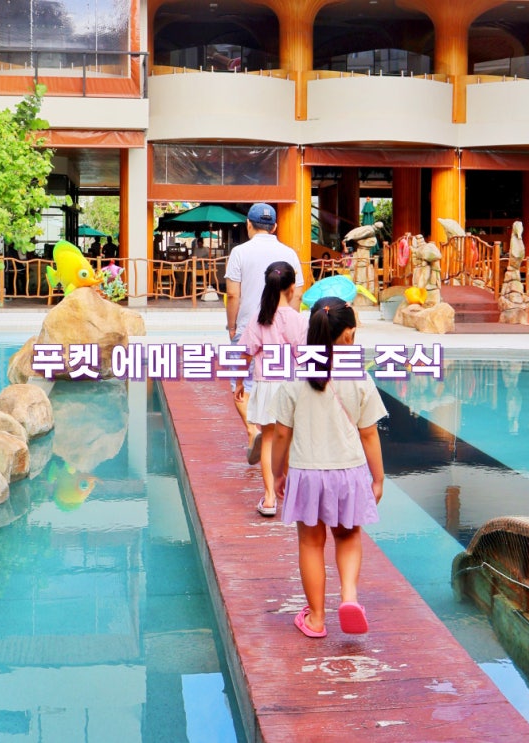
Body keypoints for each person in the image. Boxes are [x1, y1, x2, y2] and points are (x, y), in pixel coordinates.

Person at [271, 297, 386, 638]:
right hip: (348, 472)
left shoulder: (295, 374)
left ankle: (317, 619)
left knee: (311, 544)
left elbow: (281, 433)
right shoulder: (358, 375)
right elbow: (369, 433)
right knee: (348, 536)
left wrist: (278, 472)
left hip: (306, 472)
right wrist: (378, 478)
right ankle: (349, 597)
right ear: (348, 335)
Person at [225, 203, 304, 464]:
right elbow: (298, 293)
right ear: (275, 227)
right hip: (284, 331)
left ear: (248, 224)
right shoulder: (289, 253)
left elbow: (233, 294)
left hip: (249, 326)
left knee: (240, 386)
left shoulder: (239, 252)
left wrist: (232, 326)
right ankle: (275, 436)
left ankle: (253, 430)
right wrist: (289, 321)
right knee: (282, 383)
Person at [234, 261, 308, 517]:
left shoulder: (260, 318)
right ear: (292, 288)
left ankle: (268, 499)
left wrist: (240, 382)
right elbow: (304, 358)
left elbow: (246, 354)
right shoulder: (299, 320)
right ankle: (288, 493)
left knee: (268, 439)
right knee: (287, 440)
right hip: (292, 386)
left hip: (266, 385)